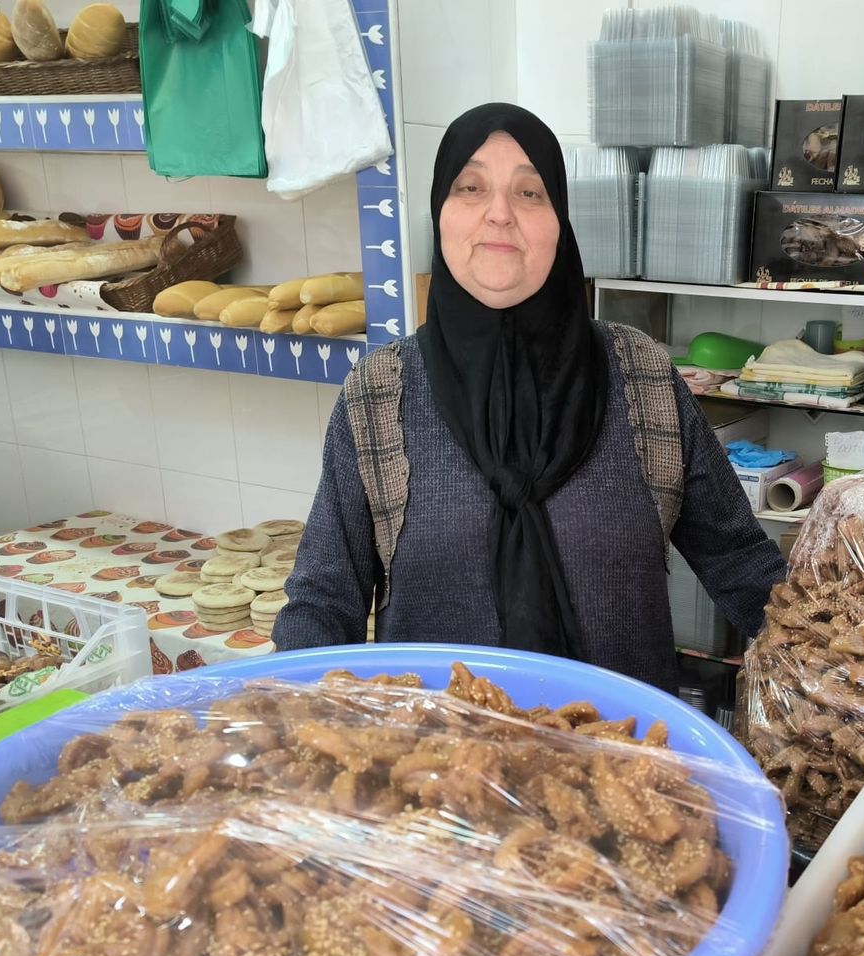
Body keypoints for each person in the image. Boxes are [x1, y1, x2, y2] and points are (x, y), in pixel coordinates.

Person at [275, 103, 786, 691]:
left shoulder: (640, 376)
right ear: (440, 216)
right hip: (435, 767)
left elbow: (741, 563)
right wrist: (287, 720)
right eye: (470, 188)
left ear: (561, 222)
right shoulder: (379, 393)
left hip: (621, 760)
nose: (499, 215)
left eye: (529, 193)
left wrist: (851, 673)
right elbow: (321, 602)